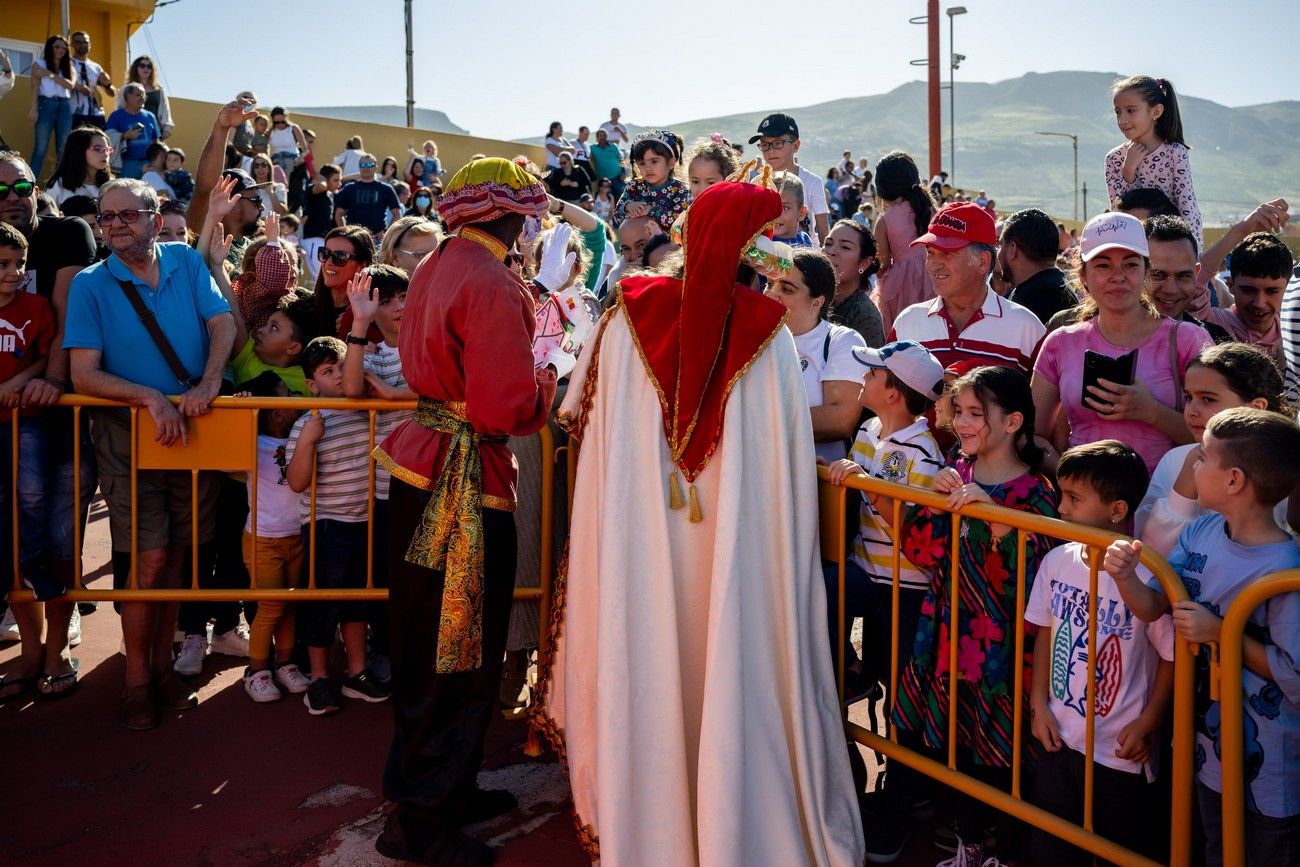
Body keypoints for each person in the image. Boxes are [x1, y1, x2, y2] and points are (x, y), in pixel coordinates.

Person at [539, 180, 865, 866]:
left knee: (651, 644)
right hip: (734, 548)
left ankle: (648, 817)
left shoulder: (623, 317)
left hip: (645, 539)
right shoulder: (768, 338)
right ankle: (733, 816)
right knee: (731, 651)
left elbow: (581, 423)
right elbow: (778, 462)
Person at [368, 159, 555, 865]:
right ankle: (422, 819)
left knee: (433, 645)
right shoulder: (494, 280)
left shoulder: (440, 263)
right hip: (465, 481)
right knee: (455, 649)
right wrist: (548, 377)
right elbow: (505, 406)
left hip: (423, 463)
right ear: (509, 217)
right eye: (526, 215)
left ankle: (444, 790)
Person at [64, 178, 237, 730]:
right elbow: (83, 373)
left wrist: (209, 382)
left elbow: (223, 322)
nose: (115, 224)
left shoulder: (186, 260)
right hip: (127, 433)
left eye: (127, 215)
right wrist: (148, 398)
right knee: (149, 558)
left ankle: (161, 670)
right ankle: (137, 681)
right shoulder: (92, 283)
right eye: (106, 216)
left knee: (183, 552)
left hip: (195, 425)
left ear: (154, 219)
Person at [1104, 407, 1300, 866]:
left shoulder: (1286, 570)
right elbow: (1155, 606)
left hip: (1272, 765)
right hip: (1207, 749)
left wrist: (1223, 635)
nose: (1193, 465)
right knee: (1216, 848)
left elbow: (1295, 676)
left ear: (1233, 480)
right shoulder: (1200, 530)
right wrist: (1127, 576)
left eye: (1203, 458)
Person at [894, 365, 1058, 864]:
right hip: (949, 634)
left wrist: (998, 522)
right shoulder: (956, 473)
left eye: (974, 414)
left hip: (1005, 649)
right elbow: (921, 552)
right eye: (957, 412)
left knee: (1005, 756)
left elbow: (1038, 581)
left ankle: (1005, 854)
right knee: (958, 749)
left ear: (1012, 423)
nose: (961, 424)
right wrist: (934, 505)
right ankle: (967, 847)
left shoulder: (1037, 492)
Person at [822, 339, 944, 863]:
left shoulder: (921, 451)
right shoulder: (870, 430)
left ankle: (895, 812)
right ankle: (895, 794)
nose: (863, 381)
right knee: (876, 684)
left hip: (907, 592)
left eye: (873, 376)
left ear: (893, 392)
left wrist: (868, 486)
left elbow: (916, 537)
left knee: (901, 703)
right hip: (871, 584)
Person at [1027, 440, 1174, 866]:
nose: (1063, 508)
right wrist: (1039, 705)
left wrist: (1150, 721)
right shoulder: (1056, 561)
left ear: (1117, 510)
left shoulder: (1150, 574)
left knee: (1118, 851)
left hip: (1120, 753)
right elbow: (1046, 636)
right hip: (1060, 737)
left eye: (1075, 498)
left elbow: (1170, 654)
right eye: (1062, 495)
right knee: (1052, 847)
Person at [1032, 212, 1211, 474]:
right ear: (1083, 276)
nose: (1118, 276)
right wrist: (1074, 479)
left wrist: (1151, 412)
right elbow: (1034, 437)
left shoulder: (1188, 340)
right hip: (1081, 512)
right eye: (1103, 265)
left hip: (1165, 508)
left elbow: (1219, 439)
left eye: (1130, 264)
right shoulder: (1060, 343)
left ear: (1146, 271)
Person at [284, 336, 392, 715]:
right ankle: (318, 677)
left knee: (357, 600)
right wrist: (307, 443)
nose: (339, 377)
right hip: (326, 526)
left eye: (342, 368)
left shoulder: (368, 412)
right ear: (312, 385)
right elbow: (297, 482)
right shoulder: (309, 424)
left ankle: (357, 672)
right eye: (328, 372)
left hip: (365, 522)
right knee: (323, 603)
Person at [0, 221, 79, 701]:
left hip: (24, 419)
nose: (12, 273)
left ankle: (32, 564)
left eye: (17, 265)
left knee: (32, 492)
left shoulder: (36, 308)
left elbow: (44, 356)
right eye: (2, 265)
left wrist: (17, 383)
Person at [1135, 342, 1289, 557]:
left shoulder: (1288, 467)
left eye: (1208, 399)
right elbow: (1152, 551)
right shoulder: (1176, 460)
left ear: (1256, 408)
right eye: (1189, 397)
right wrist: (1186, 481)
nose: (1192, 411)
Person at [890, 202, 1045, 377]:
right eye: (930, 252)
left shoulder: (1026, 328)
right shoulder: (907, 322)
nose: (933, 265)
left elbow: (1040, 403)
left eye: (947, 253)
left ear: (982, 261)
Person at [234, 371, 311, 703]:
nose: (294, 396)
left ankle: (286, 663)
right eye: (287, 393)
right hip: (263, 540)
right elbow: (223, 450)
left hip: (296, 536)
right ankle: (257, 670)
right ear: (277, 412)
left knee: (290, 606)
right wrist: (240, 412)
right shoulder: (253, 442)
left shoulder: (301, 437)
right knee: (270, 606)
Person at [764, 248, 867, 462]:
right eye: (769, 283)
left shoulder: (842, 340)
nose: (772, 294)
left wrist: (759, 424)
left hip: (819, 482)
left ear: (817, 302)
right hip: (765, 471)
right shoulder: (754, 338)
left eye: (787, 288)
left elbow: (841, 419)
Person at [1105, 75, 1201, 246]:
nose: (1122, 120)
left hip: (1171, 248)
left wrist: (1193, 254)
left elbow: (1187, 206)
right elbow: (1118, 213)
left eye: (1131, 110)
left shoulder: (1175, 153)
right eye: (1117, 111)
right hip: (1133, 248)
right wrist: (1128, 172)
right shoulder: (1114, 159)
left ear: (1156, 112)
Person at [1194, 232, 1291, 367]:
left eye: (1272, 291)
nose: (1259, 303)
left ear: (1287, 289)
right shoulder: (1212, 323)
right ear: (1231, 285)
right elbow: (1194, 282)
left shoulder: (1291, 332)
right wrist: (1244, 227)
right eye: (1248, 290)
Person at [1141, 215, 1232, 343]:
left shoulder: (1215, 342)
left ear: (1196, 273)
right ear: (1137, 271)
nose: (1171, 289)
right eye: (1158, 275)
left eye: (1183, 276)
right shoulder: (1108, 340)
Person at [872, 151, 937, 331]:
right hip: (934, 274)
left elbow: (882, 264)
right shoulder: (931, 210)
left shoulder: (885, 221)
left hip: (900, 284)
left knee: (903, 332)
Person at [749, 112, 830, 243]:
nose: (771, 151)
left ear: (795, 146)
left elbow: (823, 229)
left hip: (804, 255)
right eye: (765, 144)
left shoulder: (812, 181)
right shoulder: (756, 183)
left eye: (778, 143)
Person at [998, 208, 1078, 325]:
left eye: (1000, 245)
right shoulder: (1060, 286)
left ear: (1012, 250)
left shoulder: (1030, 299)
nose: (998, 252)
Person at [822, 219, 885, 348]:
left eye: (845, 247)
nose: (831, 251)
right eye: (828, 243)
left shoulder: (865, 316)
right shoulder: (809, 292)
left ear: (864, 263)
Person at [612, 129, 689, 228]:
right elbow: (616, 217)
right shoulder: (634, 185)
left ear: (670, 163)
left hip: (667, 243)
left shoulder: (680, 189)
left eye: (654, 161)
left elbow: (680, 223)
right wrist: (628, 207)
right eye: (642, 163)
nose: (648, 168)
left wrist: (651, 210)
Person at [312, 225, 375, 338]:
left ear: (362, 266)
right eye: (325, 253)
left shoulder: (374, 317)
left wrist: (359, 330)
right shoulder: (305, 309)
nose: (329, 262)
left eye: (340, 257)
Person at [28, 35, 77, 178]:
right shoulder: (39, 63)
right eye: (57, 46)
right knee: (40, 148)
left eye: (64, 47)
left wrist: (48, 74)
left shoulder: (69, 67)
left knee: (63, 149)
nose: (61, 50)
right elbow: (35, 87)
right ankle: (31, 183)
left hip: (65, 107)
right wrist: (33, 108)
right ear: (50, 47)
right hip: (46, 104)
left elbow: (70, 85)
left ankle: (59, 185)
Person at [333, 154, 401, 236]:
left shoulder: (386, 189)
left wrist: (386, 233)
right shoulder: (349, 188)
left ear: (376, 168)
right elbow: (338, 214)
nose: (366, 167)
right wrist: (345, 234)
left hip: (377, 239)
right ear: (359, 167)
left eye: (369, 165)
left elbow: (397, 214)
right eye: (362, 165)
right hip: (354, 238)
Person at [105, 83, 160, 180]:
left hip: (148, 165)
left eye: (144, 95)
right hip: (126, 165)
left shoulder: (150, 116)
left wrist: (155, 164)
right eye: (138, 94)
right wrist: (125, 136)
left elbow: (156, 141)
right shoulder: (116, 116)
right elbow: (106, 139)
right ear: (127, 96)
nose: (142, 98)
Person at [45, 125, 112, 205]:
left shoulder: (111, 185)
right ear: (79, 150)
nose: (105, 154)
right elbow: (48, 216)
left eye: (107, 149)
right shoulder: (59, 185)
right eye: (97, 149)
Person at [117, 55, 173, 140]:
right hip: (132, 130)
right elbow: (120, 107)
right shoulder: (127, 88)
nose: (145, 69)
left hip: (153, 131)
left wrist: (166, 129)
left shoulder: (158, 90)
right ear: (136, 68)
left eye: (149, 66)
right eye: (142, 66)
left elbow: (165, 110)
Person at [68, 31, 114, 131]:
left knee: (99, 144)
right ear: (72, 44)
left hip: (97, 114)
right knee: (76, 145)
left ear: (90, 44)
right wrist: (78, 87)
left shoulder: (96, 67)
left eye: (85, 42)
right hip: (75, 113)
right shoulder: (68, 63)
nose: (83, 45)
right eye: (78, 42)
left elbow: (111, 93)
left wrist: (107, 85)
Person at [301, 163, 341, 278]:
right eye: (335, 180)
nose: (339, 183)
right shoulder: (313, 190)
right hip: (313, 240)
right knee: (316, 277)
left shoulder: (330, 194)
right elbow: (321, 186)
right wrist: (322, 179)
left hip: (323, 242)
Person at [685, 135, 740, 200]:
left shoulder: (735, 208)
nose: (702, 189)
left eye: (710, 183)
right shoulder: (691, 208)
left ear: (729, 179)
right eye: (695, 182)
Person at [771, 172, 813, 247]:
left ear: (801, 213)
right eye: (770, 206)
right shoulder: (758, 244)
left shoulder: (804, 240)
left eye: (785, 207)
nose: (775, 213)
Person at [266, 107, 307, 181]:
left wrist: (300, 158)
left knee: (287, 178)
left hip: (292, 159)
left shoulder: (293, 128)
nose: (280, 124)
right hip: (276, 159)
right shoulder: (270, 131)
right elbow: (266, 147)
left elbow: (306, 150)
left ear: (286, 118)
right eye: (277, 122)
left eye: (283, 122)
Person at [589, 127, 626, 199]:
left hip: (617, 178)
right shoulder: (592, 148)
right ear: (596, 138)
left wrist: (623, 172)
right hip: (603, 181)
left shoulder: (614, 146)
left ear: (607, 137)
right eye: (600, 135)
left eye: (604, 135)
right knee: (609, 201)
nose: (602, 137)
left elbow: (621, 159)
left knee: (622, 198)